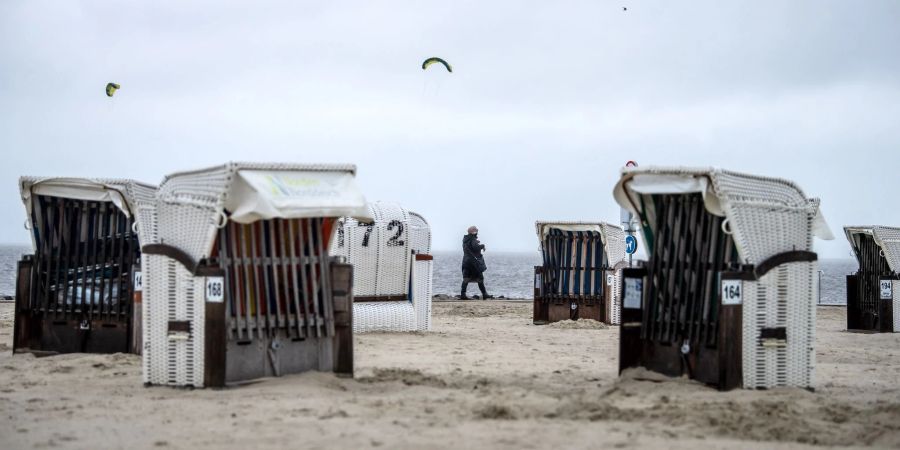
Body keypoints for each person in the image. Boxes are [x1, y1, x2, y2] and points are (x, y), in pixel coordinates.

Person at [461, 225, 492, 300]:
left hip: (466, 261)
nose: (477, 233)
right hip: (473, 262)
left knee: (466, 278)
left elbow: (472, 247)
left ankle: (463, 294)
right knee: (480, 278)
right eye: (476, 231)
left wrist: (477, 243)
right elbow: (475, 247)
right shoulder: (472, 239)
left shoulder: (465, 239)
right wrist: (482, 245)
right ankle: (484, 294)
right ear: (474, 232)